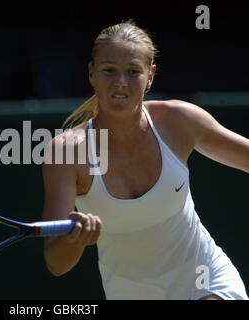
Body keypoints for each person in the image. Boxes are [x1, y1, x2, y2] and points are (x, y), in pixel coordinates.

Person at [42, 20, 249, 300]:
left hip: (207, 280)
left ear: (150, 76)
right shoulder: (65, 152)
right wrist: (74, 241)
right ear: (91, 73)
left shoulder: (180, 121)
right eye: (109, 71)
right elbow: (56, 263)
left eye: (133, 72)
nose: (120, 83)